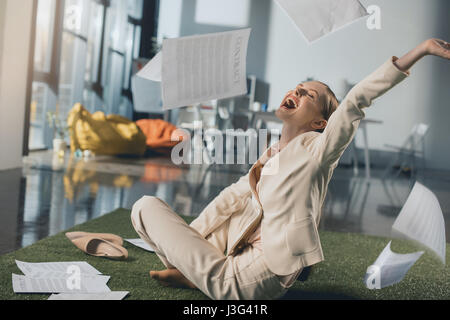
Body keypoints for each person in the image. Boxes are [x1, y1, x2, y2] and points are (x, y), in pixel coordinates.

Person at [131, 38, 450, 300]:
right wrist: (190, 238)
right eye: (296, 88)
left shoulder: (319, 151)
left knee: (151, 213)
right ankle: (196, 273)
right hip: (233, 255)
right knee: (146, 208)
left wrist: (421, 51)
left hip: (260, 272)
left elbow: (356, 100)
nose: (295, 92)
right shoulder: (270, 155)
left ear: (320, 123)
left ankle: (201, 275)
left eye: (307, 94)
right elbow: (229, 198)